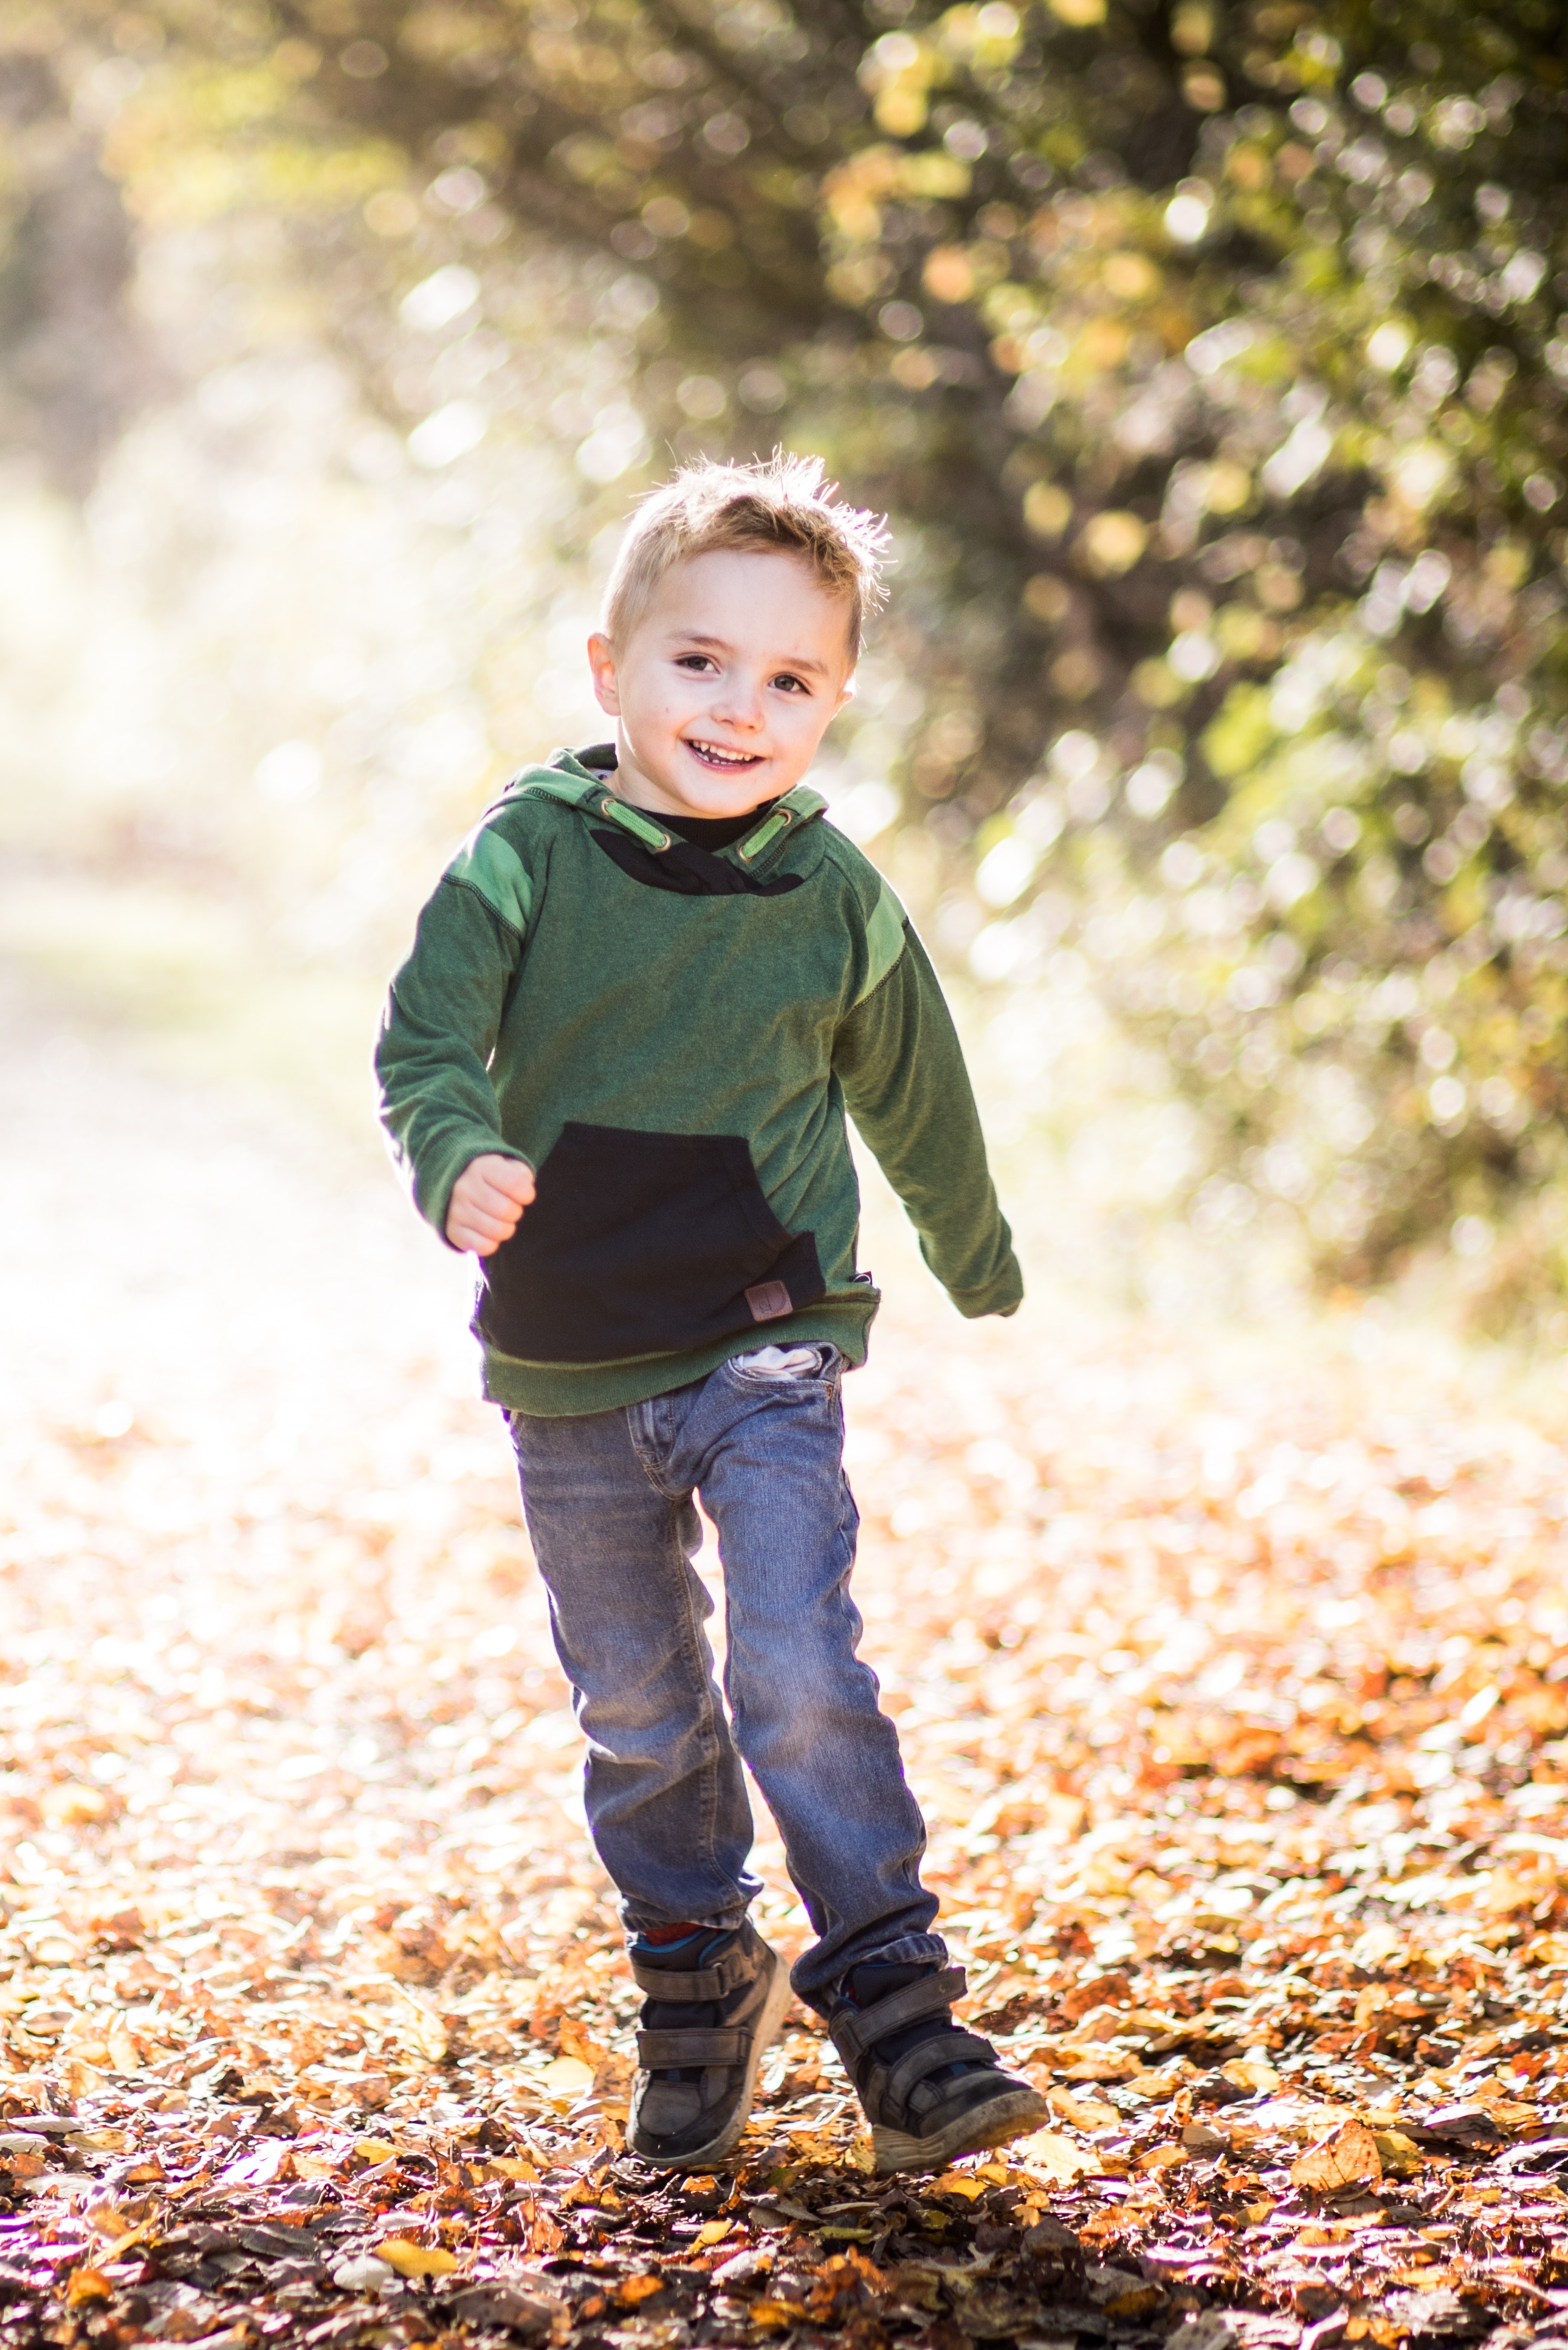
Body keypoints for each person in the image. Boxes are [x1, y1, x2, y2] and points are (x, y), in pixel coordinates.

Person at [373, 453, 1046, 2176]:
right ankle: (695, 1971)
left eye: (789, 680)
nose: (739, 708)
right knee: (641, 1708)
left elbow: (917, 1083)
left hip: (767, 1332)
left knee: (796, 1660)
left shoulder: (829, 894)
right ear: (610, 668)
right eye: (699, 662)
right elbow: (429, 1038)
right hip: (571, 1351)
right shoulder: (529, 857)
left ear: (831, 705)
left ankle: (899, 2008)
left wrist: (972, 1246)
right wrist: (457, 1148)